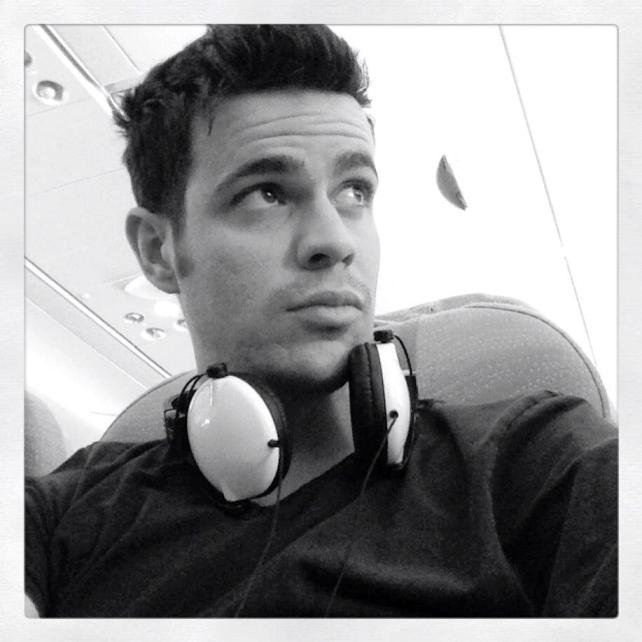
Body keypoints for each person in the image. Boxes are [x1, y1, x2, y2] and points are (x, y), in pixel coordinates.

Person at [25, 24, 617, 618]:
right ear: (159, 250)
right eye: (266, 193)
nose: (335, 240)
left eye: (355, 191)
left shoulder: (539, 465)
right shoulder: (62, 516)